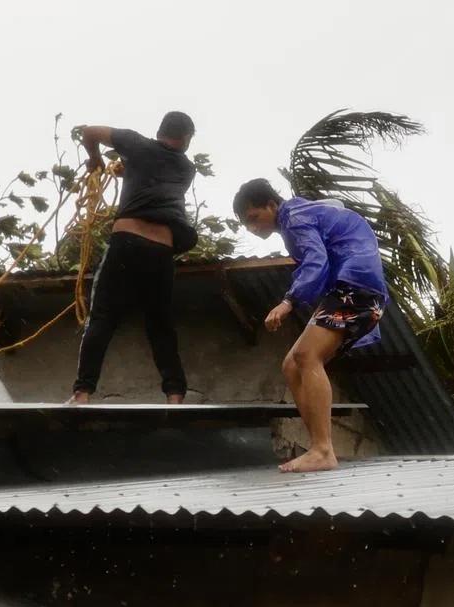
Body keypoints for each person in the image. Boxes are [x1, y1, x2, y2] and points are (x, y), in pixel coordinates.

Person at [232, 178, 388, 473]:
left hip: (356, 285)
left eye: (254, 217)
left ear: (272, 205)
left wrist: (288, 302)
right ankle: (320, 446)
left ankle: (322, 450)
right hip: (352, 288)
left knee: (306, 356)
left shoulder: (294, 216)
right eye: (246, 224)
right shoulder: (306, 213)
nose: (253, 227)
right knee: (292, 365)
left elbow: (316, 261)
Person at [68, 112, 200, 404]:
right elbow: (154, 181)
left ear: (159, 129)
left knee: (102, 318)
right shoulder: (186, 169)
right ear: (187, 139)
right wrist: (125, 169)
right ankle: (175, 395)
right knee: (160, 325)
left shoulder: (137, 144)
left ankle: (82, 393)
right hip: (161, 252)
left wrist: (95, 160)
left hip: (127, 242)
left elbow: (88, 131)